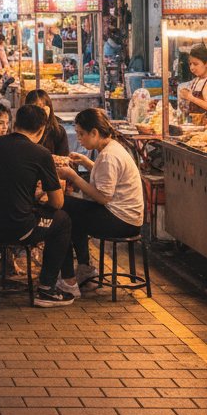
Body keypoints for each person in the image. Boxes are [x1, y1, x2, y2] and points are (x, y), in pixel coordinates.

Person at [0, 103, 74, 307]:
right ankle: (46, 289)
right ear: (41, 129)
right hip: (16, 229)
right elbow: (58, 202)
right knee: (62, 221)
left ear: (15, 123)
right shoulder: (40, 153)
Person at [56, 108, 145, 296]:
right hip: (127, 218)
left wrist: (73, 176)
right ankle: (85, 268)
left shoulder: (109, 156)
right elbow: (107, 178)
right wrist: (86, 163)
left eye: (81, 134)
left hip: (120, 221)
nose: (79, 139)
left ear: (95, 133)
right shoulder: (111, 149)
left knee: (62, 209)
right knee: (72, 213)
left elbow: (103, 197)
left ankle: (71, 277)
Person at [180, 44, 207, 120]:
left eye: (195, 64)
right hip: (196, 125)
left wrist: (191, 98)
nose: (192, 68)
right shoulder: (196, 81)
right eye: (190, 64)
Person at [24, 88, 70, 156]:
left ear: (49, 108)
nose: (39, 112)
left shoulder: (58, 131)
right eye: (35, 108)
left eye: (42, 108)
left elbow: (63, 158)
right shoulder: (23, 130)